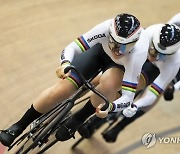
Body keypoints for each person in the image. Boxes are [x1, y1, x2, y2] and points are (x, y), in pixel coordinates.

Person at [0, 13, 149, 146]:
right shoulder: (104, 28)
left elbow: (128, 97)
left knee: (110, 84)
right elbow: (73, 47)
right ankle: (18, 126)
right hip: (98, 53)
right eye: (115, 43)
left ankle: (78, 119)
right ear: (109, 34)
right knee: (61, 89)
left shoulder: (138, 53)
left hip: (119, 67)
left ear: (134, 43)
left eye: (124, 47)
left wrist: (110, 107)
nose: (118, 50)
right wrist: (65, 64)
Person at [77, 13, 180, 142]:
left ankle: (118, 126)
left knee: (151, 94)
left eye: (158, 56)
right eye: (153, 53)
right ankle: (81, 89)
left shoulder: (175, 60)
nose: (154, 58)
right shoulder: (154, 32)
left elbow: (156, 89)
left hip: (166, 67)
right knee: (116, 75)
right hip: (151, 48)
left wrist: (174, 87)